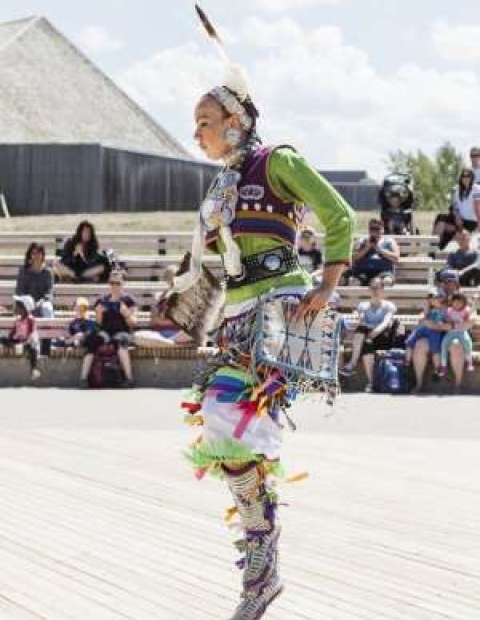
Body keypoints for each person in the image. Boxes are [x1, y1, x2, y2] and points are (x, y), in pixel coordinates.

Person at [171, 31, 355, 619]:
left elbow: (338, 212)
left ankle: (261, 562)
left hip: (280, 313)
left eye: (204, 120)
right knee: (224, 433)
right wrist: (183, 314)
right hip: (237, 318)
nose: (196, 132)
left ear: (235, 118)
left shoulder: (277, 161)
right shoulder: (221, 185)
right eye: (195, 123)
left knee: (237, 425)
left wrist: (326, 286)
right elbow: (206, 266)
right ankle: (262, 555)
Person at [80, 271, 136, 387]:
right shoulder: (102, 299)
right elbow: (99, 323)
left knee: (120, 342)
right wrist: (99, 313)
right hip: (105, 332)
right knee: (92, 341)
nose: (114, 286)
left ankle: (129, 378)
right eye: (112, 283)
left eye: (118, 283)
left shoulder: (128, 300)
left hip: (122, 331)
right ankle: (83, 379)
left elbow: (133, 323)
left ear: (123, 284)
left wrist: (125, 313)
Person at [340, 278, 397, 392]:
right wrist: (359, 318)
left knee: (364, 337)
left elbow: (385, 323)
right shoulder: (363, 305)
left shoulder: (389, 305)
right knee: (366, 345)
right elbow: (361, 322)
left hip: (382, 336)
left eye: (378, 288)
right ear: (369, 290)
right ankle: (371, 383)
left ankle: (352, 363)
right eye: (373, 288)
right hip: (366, 338)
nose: (375, 291)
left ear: (382, 289)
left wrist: (372, 334)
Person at [345, 218, 400, 286]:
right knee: (353, 282)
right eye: (372, 228)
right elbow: (354, 258)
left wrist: (380, 250)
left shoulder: (390, 241)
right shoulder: (362, 241)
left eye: (377, 229)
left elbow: (396, 258)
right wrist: (366, 248)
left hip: (383, 271)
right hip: (363, 271)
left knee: (385, 282)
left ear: (382, 229)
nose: (374, 231)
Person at [404, 289, 447, 375]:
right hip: (425, 328)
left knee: (435, 349)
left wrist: (438, 322)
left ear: (442, 299)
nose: (432, 299)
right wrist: (423, 314)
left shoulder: (444, 309)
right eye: (430, 297)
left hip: (435, 330)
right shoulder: (429, 308)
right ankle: (407, 360)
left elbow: (441, 323)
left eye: (435, 297)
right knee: (410, 341)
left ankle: (438, 368)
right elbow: (423, 315)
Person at [0, 295, 41, 380]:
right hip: (19, 341)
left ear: (25, 308)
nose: (16, 307)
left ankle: (34, 369)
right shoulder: (18, 319)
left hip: (28, 342)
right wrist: (10, 339)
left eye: (18, 305)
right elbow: (13, 331)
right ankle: (15, 346)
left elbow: (31, 334)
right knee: (3, 339)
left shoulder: (30, 319)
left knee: (32, 348)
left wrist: (23, 343)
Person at [439, 293, 475, 379]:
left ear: (463, 303)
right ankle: (443, 366)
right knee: (444, 345)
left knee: (467, 343)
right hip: (451, 332)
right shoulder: (449, 310)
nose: (458, 304)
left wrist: (474, 302)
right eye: (456, 302)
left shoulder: (466, 310)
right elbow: (446, 318)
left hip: (462, 332)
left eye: (460, 302)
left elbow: (470, 315)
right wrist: (447, 318)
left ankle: (469, 362)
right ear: (452, 302)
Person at [15, 243, 54, 318]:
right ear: (30, 255)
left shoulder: (47, 272)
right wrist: (27, 301)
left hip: (41, 304)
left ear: (42, 255)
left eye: (39, 253)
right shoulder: (23, 271)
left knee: (47, 308)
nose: (36, 256)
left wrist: (41, 302)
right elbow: (19, 290)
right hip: (25, 303)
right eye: (33, 253)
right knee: (19, 307)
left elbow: (49, 292)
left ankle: (49, 329)